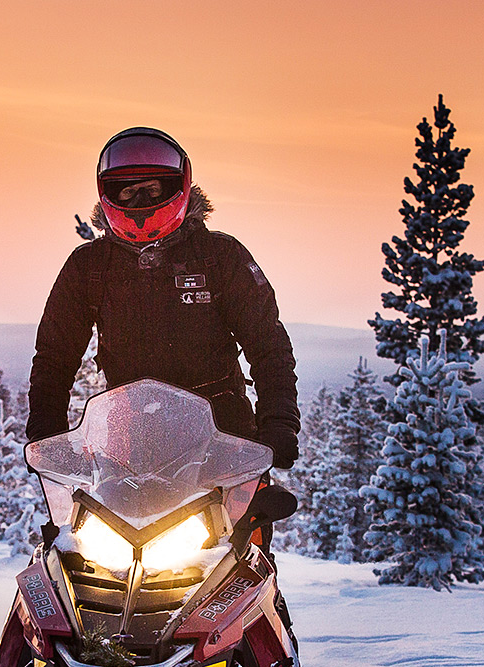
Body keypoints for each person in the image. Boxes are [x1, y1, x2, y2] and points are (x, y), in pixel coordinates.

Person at [26, 126, 300, 467]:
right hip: (127, 448)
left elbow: (268, 345)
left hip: (224, 442)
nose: (140, 202)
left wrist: (279, 424)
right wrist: (46, 433)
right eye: (128, 192)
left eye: (152, 189)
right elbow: (55, 357)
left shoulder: (219, 256)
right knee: (76, 521)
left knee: (248, 518)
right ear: (109, 192)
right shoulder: (90, 266)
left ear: (177, 186)